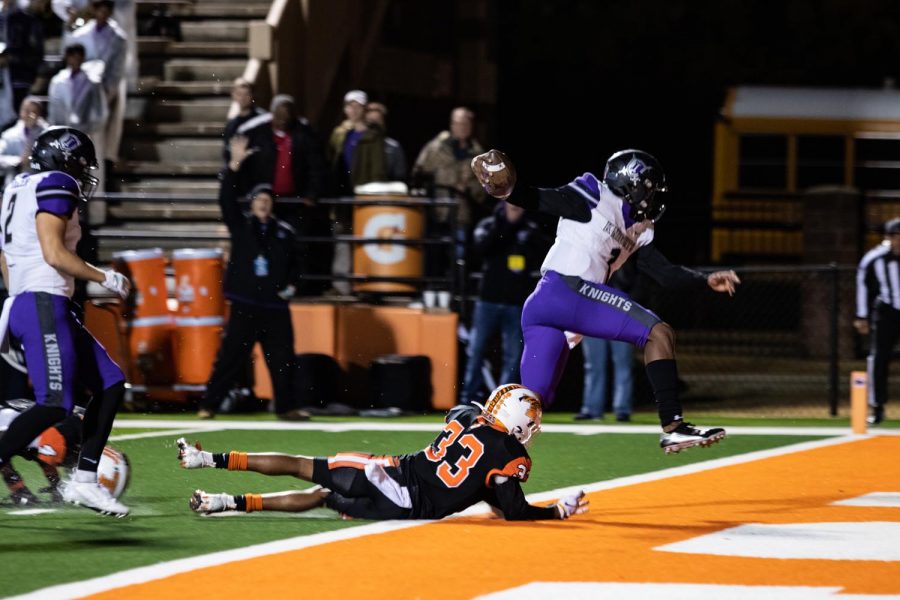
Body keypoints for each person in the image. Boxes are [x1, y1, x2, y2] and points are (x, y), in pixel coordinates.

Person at [471, 148, 741, 454]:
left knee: (527, 411)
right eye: (648, 189)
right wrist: (504, 187)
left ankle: (473, 453)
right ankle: (674, 427)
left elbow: (663, 272)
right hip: (566, 290)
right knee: (660, 333)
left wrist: (703, 279)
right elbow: (535, 198)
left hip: (547, 307)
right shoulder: (593, 195)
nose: (651, 198)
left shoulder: (641, 228)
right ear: (630, 183)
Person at [178, 384, 589, 521]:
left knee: (304, 468)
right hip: (405, 507)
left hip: (389, 474)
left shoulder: (465, 415)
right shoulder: (507, 455)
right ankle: (224, 501)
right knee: (322, 499)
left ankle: (209, 461)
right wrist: (556, 511)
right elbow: (510, 509)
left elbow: (492, 494)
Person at [0, 126, 130, 515]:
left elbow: (4, 256)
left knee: (110, 383)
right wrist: (104, 276)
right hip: (42, 300)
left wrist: (18, 294)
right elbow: (55, 253)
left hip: (34, 299)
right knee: (56, 402)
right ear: (63, 159)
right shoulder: (56, 182)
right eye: (80, 163)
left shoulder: (18, 186)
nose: (83, 172)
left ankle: (86, 482)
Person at [197, 134, 309, 421]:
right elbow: (225, 200)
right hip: (245, 304)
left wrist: (292, 287)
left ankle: (286, 408)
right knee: (230, 358)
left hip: (274, 306)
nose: (263, 203)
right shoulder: (241, 226)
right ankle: (209, 404)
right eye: (259, 198)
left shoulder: (284, 232)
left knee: (283, 360)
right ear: (252, 202)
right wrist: (233, 167)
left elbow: (297, 264)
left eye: (267, 199)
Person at [460, 200, 548, 405]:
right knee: (476, 350)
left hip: (516, 303)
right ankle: (467, 399)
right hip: (487, 301)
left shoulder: (530, 230)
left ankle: (501, 402)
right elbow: (482, 248)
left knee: (513, 355)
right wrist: (506, 224)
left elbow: (544, 256)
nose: (516, 207)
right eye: (512, 203)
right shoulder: (489, 225)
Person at [242, 94, 329, 295]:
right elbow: (249, 168)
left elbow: (316, 167)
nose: (283, 117)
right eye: (279, 112)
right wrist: (253, 194)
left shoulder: (305, 135)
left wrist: (312, 194)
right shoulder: (259, 136)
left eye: (288, 112)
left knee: (297, 244)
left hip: (295, 202)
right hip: (267, 200)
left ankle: (299, 285)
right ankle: (264, 283)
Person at [413, 107, 487, 273]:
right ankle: (432, 292)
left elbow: (484, 186)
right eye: (458, 123)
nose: (462, 127)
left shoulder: (477, 153)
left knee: (458, 254)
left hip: (461, 213)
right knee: (433, 251)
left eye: (465, 123)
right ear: (451, 125)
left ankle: (455, 292)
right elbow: (418, 172)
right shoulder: (436, 147)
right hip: (436, 211)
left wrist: (467, 188)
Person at [68, 0, 127, 177]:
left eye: (105, 10)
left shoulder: (118, 37)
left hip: (106, 92)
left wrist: (106, 92)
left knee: (102, 142)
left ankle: (101, 185)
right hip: (81, 93)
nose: (102, 14)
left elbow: (117, 69)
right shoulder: (80, 35)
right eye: (99, 10)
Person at [47, 42, 107, 212]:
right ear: (67, 57)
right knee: (66, 174)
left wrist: (89, 129)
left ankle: (87, 215)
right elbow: (53, 111)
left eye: (78, 56)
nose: (75, 60)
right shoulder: (58, 81)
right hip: (64, 137)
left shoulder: (92, 82)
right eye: (72, 56)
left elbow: (100, 111)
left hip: (86, 134)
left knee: (87, 175)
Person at [853, 217, 900, 425]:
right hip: (887, 310)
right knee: (878, 357)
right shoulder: (875, 257)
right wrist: (862, 315)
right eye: (895, 237)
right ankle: (877, 406)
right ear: (887, 238)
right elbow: (862, 284)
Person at [0, 0, 44, 128]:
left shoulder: (27, 20)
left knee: (16, 121)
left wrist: (10, 59)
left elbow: (36, 52)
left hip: (19, 80)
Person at [0, 96, 48, 184]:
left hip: (40, 181)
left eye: (34, 112)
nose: (30, 116)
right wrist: (19, 161)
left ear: (39, 114)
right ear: (21, 112)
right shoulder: (9, 135)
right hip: (15, 182)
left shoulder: (47, 133)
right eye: (27, 111)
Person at [221, 77, 267, 167]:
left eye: (246, 94)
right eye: (239, 94)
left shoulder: (263, 119)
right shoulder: (231, 125)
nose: (243, 98)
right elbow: (227, 152)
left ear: (252, 95)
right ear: (233, 95)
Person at [365, 101, 407, 183]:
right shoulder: (355, 143)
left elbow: (399, 176)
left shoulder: (393, 147)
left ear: (383, 123)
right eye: (371, 122)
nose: (374, 126)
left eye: (377, 121)